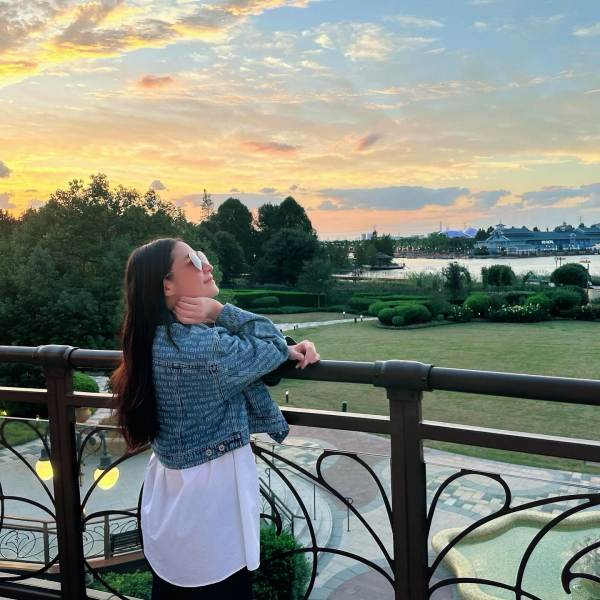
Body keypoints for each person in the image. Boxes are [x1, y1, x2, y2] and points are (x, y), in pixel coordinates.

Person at [110, 237, 320, 599]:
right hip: (210, 508)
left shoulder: (151, 338)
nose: (206, 265)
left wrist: (282, 349)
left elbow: (259, 351)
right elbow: (269, 344)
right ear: (167, 285)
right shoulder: (202, 348)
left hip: (169, 494)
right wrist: (218, 311)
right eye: (193, 260)